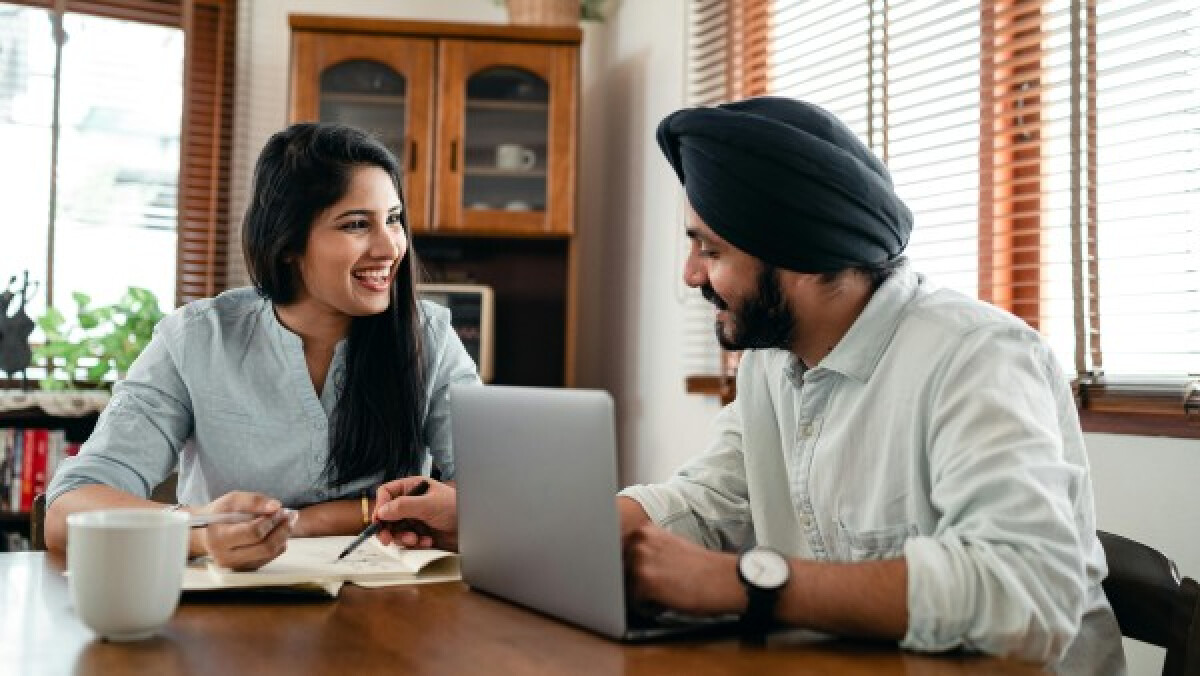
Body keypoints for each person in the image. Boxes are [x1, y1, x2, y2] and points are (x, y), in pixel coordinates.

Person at [372, 97, 1125, 673]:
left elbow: (1030, 592)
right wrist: (502, 521)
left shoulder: (976, 357)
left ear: (796, 254)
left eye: (710, 248)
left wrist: (743, 584)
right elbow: (705, 503)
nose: (691, 274)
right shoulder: (773, 358)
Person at [45, 123, 480, 570]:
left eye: (393, 219)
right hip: (230, 616)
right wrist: (199, 530)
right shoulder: (196, 338)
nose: (390, 246)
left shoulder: (429, 336)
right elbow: (67, 514)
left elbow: (496, 496)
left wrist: (315, 521)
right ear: (287, 241)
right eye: (356, 224)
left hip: (393, 612)